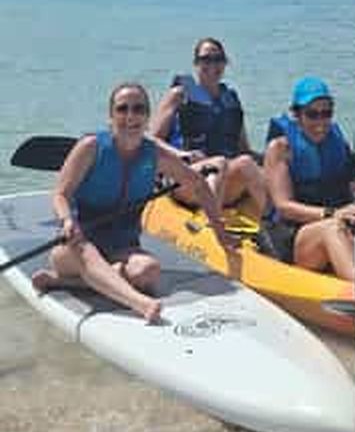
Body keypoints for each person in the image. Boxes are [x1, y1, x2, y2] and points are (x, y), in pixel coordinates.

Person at [31, 82, 235, 322]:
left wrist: (220, 232)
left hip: (122, 247)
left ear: (147, 117)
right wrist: (67, 220)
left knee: (149, 272)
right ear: (111, 116)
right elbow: (60, 194)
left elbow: (199, 185)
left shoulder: (154, 154)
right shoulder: (90, 147)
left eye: (138, 109)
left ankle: (65, 282)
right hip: (75, 247)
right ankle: (141, 304)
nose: (130, 116)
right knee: (87, 252)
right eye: (122, 109)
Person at [262, 77, 355, 291]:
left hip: (338, 226)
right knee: (332, 228)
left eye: (326, 114)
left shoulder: (338, 144)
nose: (320, 122)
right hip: (294, 240)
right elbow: (283, 207)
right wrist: (332, 213)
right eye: (312, 114)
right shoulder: (280, 148)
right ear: (297, 114)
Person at [151, 38, 268, 219]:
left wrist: (270, 163)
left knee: (247, 164)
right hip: (187, 178)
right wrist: (180, 154)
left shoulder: (231, 100)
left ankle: (278, 224)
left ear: (225, 63)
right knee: (220, 164)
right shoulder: (179, 95)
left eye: (218, 59)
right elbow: (151, 140)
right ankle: (213, 225)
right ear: (196, 63)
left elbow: (243, 149)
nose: (212, 64)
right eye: (206, 59)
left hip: (225, 179)